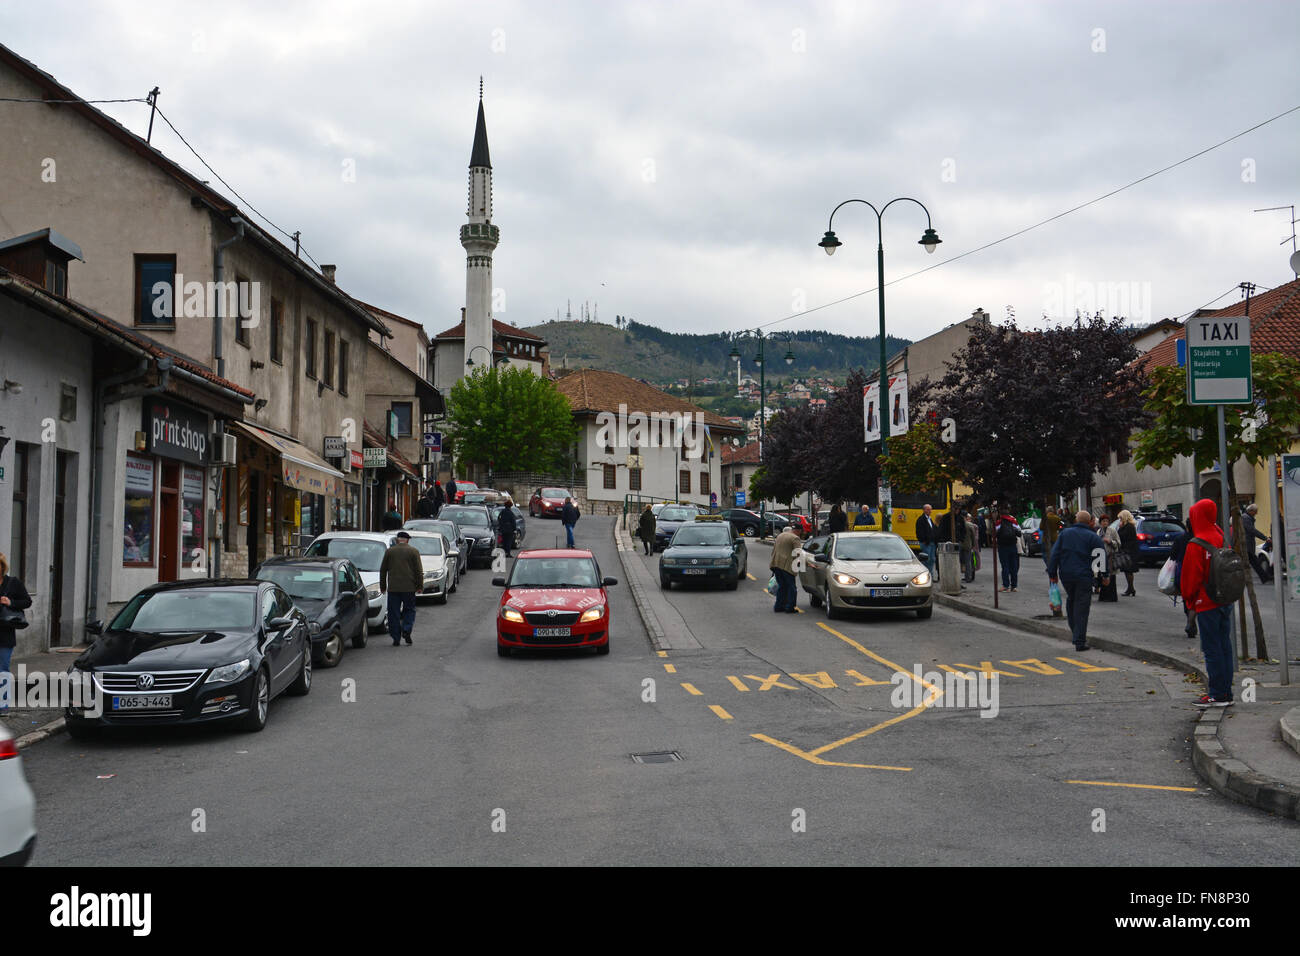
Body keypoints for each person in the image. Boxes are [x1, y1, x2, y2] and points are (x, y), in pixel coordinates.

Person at [1181, 498, 1234, 707]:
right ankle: (1226, 692)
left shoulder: (1196, 543)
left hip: (1206, 602)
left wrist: (1190, 600)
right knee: (1225, 647)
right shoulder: (1221, 536)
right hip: (1224, 599)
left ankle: (1216, 694)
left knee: (1211, 649)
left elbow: (1190, 578)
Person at [1046, 510, 1105, 651]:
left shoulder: (1065, 534)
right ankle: (1079, 640)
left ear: (1076, 520)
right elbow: (1099, 557)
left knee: (1072, 601)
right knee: (1082, 607)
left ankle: (1075, 632)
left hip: (1066, 575)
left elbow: (1055, 554)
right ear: (1089, 521)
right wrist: (1104, 575)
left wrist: (1052, 573)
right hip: (1084, 576)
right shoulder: (1093, 537)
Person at [0, 553, 33, 715]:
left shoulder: (13, 583)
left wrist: (10, 602)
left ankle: (3, 705)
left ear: (2, 567)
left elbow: (27, 601)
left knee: (2, 670)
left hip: (5, 635)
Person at [379, 531, 424, 646]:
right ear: (407, 540)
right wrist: (419, 586)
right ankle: (406, 629)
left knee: (393, 613)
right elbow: (418, 571)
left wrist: (383, 586)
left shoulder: (389, 552)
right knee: (409, 610)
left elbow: (383, 570)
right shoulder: (414, 552)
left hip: (393, 588)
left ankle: (396, 637)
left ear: (397, 539)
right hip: (409, 588)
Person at [1170, 527, 1198, 639]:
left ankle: (1190, 621)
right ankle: (1191, 621)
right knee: (1196, 597)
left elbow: (1172, 555)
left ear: (1186, 527)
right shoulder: (1199, 538)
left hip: (1182, 571)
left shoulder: (1180, 538)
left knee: (1187, 597)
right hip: (1196, 570)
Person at [769, 525, 801, 613]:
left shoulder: (780, 535)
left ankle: (778, 606)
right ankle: (790, 607)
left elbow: (774, 550)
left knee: (782, 586)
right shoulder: (795, 538)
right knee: (792, 588)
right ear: (798, 531)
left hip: (776, 564)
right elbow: (798, 554)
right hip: (786, 566)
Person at [1241, 504, 1272, 583]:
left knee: (1254, 563)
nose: (1256, 513)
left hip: (1247, 545)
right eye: (1255, 511)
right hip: (1246, 545)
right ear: (1250, 511)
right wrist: (1265, 538)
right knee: (1254, 562)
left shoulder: (1247, 518)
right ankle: (1264, 577)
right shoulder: (1246, 518)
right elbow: (1252, 530)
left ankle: (1264, 577)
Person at [994, 508, 1021, 591]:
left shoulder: (999, 522)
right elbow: (1019, 533)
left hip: (1002, 547)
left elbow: (995, 533)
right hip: (1013, 546)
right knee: (1014, 566)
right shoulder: (1013, 521)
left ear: (1001, 515)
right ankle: (1014, 586)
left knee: (1005, 566)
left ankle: (1006, 586)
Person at [1116, 509, 1140, 595]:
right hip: (1127, 550)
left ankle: (1130, 589)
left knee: (1129, 570)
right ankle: (1131, 589)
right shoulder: (1127, 526)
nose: (1120, 520)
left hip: (1129, 551)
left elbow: (1122, 536)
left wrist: (1120, 527)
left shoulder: (1129, 526)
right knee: (1127, 570)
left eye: (1121, 518)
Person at [1095, 514, 1119, 601]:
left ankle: (1111, 597)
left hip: (1110, 556)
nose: (1105, 523)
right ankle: (1103, 596)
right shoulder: (1098, 531)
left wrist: (1110, 542)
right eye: (1103, 521)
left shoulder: (1112, 531)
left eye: (1106, 521)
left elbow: (1118, 543)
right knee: (1102, 575)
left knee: (1111, 576)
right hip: (1101, 556)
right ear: (1100, 522)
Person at [916, 504, 939, 579]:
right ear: (924, 510)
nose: (930, 511)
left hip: (932, 543)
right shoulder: (921, 519)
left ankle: (930, 576)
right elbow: (919, 532)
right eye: (928, 509)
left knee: (932, 559)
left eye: (930, 509)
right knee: (926, 560)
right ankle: (926, 576)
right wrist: (924, 540)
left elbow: (932, 530)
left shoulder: (930, 519)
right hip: (926, 543)